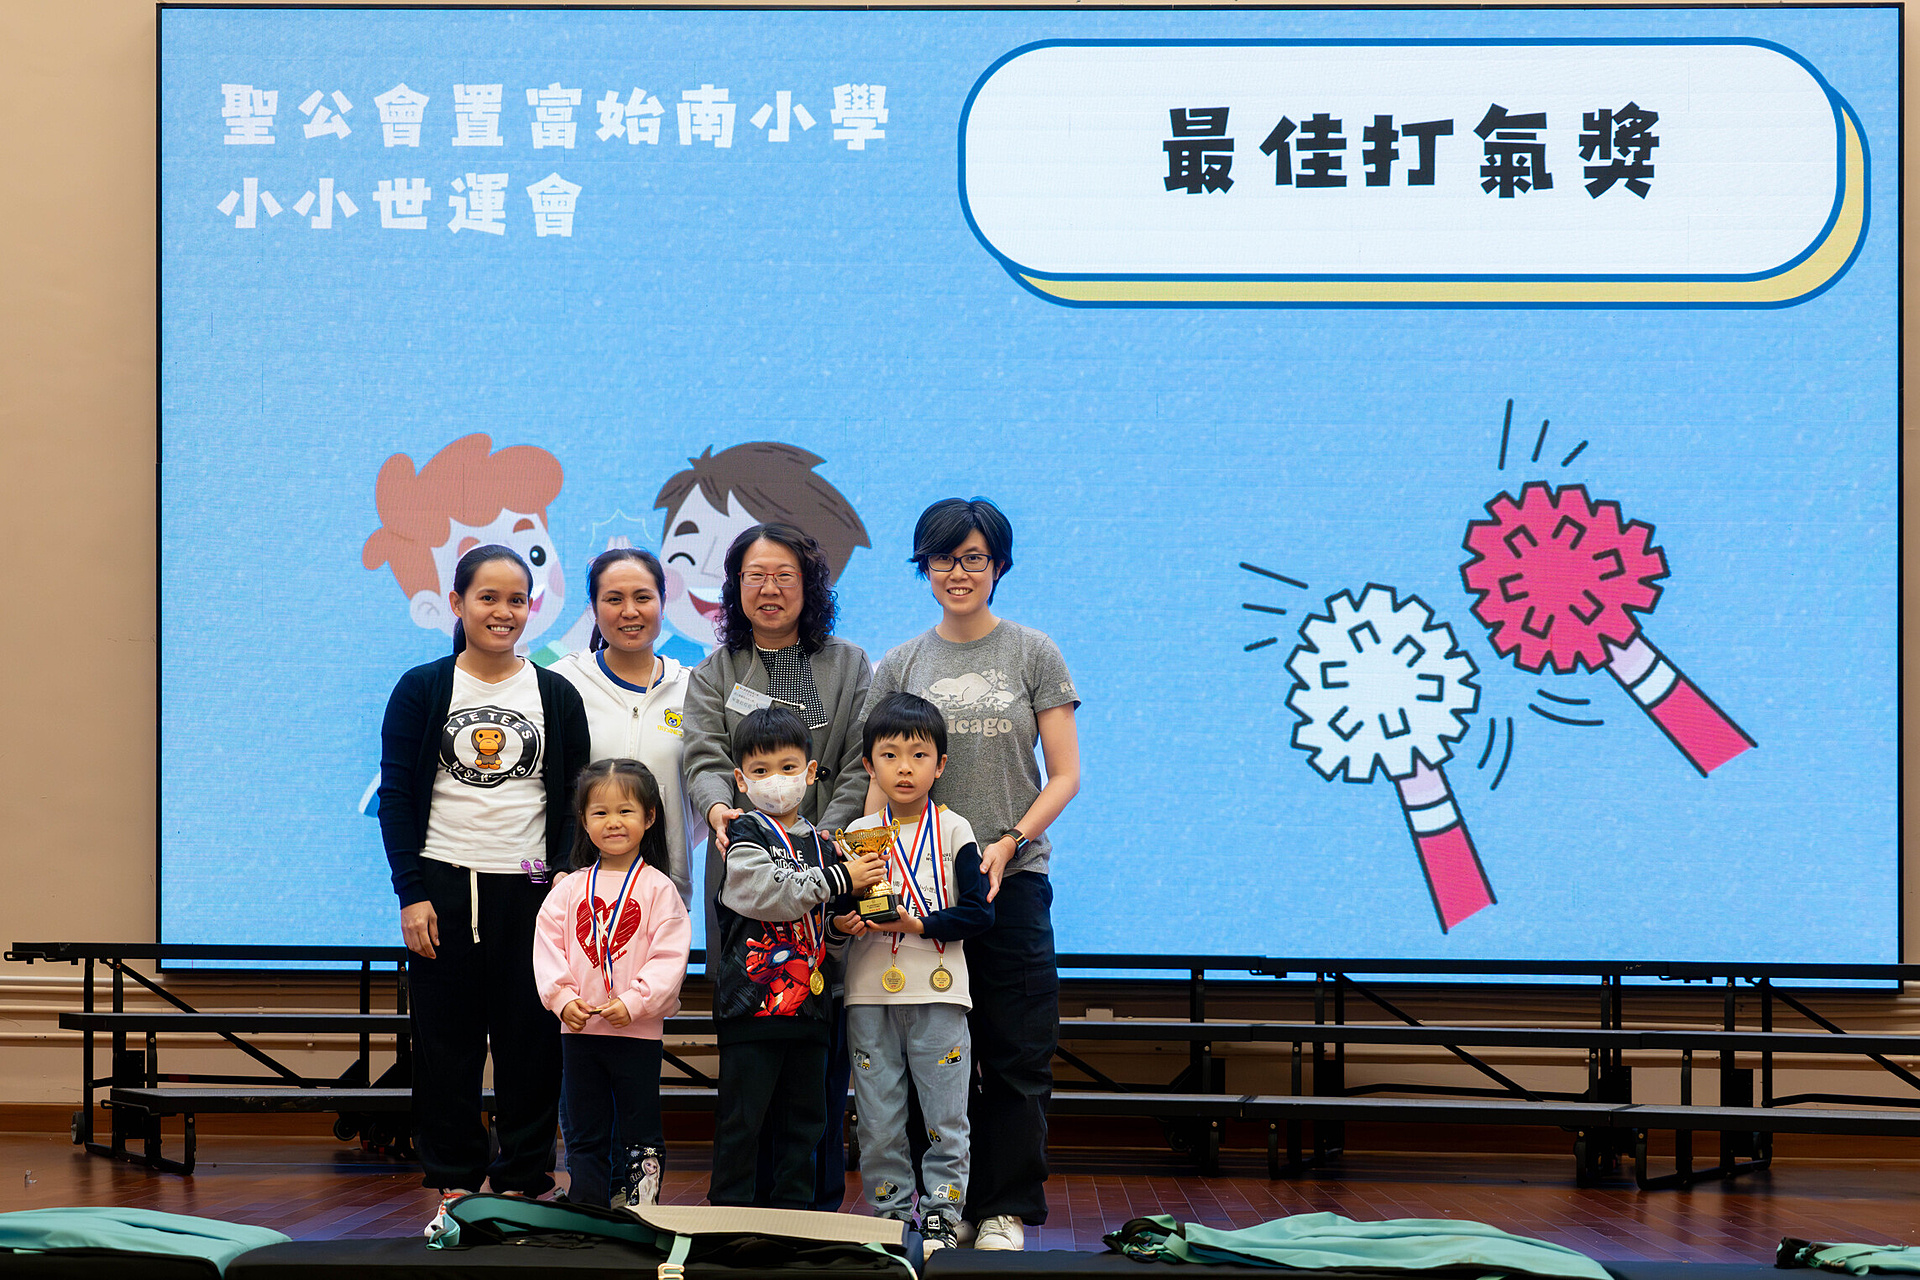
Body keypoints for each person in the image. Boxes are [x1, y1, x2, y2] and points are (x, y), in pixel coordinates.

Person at [862, 498, 1081, 1253]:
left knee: (1015, 1050)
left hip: (1011, 882)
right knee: (924, 1056)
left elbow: (1066, 774)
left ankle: (1002, 1208)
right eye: (943, 558)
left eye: (975, 558)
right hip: (921, 896)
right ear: (924, 567)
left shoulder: (1034, 653)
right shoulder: (901, 663)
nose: (959, 572)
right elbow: (877, 779)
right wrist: (869, 875)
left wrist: (1011, 841)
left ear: (999, 566)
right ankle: (940, 1205)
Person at [377, 544, 591, 1235]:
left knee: (532, 1042)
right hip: (442, 886)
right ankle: (455, 1182)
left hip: (531, 887)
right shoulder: (422, 688)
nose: (504, 612)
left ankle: (524, 1180)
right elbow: (397, 797)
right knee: (447, 1046)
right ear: (458, 603)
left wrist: (561, 880)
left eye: (517, 599)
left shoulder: (555, 694)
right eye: (488, 598)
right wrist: (411, 893)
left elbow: (573, 800)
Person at [681, 521, 873, 1207]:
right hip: (747, 867)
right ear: (736, 587)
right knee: (749, 1068)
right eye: (755, 576)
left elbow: (859, 763)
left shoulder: (851, 664)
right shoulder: (715, 670)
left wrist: (820, 838)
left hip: (830, 871)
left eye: (784, 575)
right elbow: (703, 755)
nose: (769, 588)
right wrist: (720, 811)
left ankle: (811, 1205)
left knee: (816, 1061)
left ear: (809, 584)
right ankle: (740, 1209)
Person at [831, 693, 992, 1252]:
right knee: (878, 1122)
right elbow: (837, 911)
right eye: (890, 755)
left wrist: (917, 924)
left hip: (940, 996)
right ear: (868, 765)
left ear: (940, 765)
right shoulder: (856, 833)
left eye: (919, 755)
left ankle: (943, 1217)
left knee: (946, 1120)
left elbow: (979, 913)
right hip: (868, 997)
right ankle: (891, 1220)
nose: (905, 768)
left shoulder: (955, 829)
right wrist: (844, 922)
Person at [707, 707, 885, 1209]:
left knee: (805, 1125)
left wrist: (839, 930)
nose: (776, 780)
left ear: (809, 773)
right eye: (760, 771)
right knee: (743, 1122)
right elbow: (768, 895)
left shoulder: (823, 844)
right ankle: (729, 1219)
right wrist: (841, 880)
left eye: (788, 767)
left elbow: (816, 923)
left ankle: (794, 1221)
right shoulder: (743, 835)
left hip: (810, 1009)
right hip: (751, 1007)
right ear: (741, 780)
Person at [533, 759, 691, 1208]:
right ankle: (589, 1210)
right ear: (583, 821)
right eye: (600, 812)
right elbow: (547, 949)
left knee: (641, 1131)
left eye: (625, 811)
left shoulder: (660, 889)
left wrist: (635, 1002)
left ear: (650, 817)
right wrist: (563, 1000)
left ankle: (643, 1214)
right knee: (585, 1131)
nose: (613, 822)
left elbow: (669, 958)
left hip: (637, 1033)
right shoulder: (568, 889)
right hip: (580, 1032)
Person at [548, 548, 698, 904]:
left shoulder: (693, 688)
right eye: (614, 599)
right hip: (576, 886)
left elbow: (702, 796)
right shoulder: (562, 681)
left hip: (664, 891)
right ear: (593, 608)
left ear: (663, 603)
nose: (629, 611)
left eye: (643, 598)